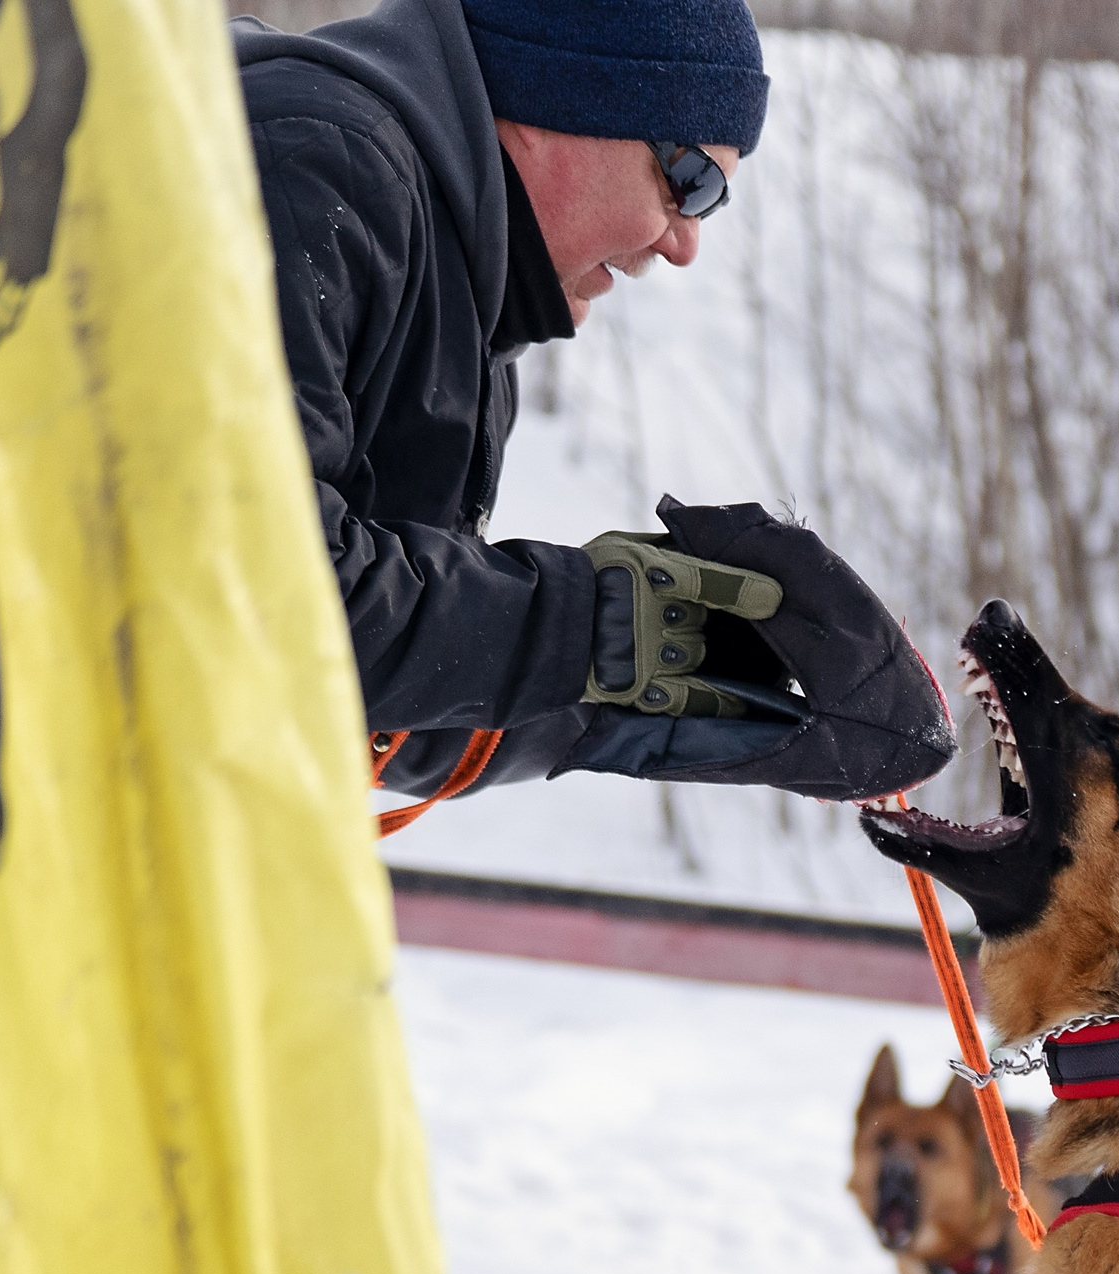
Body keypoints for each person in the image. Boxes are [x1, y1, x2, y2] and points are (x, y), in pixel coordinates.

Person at [232, 0, 953, 810]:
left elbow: (388, 697)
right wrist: (608, 627)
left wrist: (683, 682)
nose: (685, 243)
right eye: (691, 180)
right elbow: (251, 596)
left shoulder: (462, 306)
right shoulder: (311, 166)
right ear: (560, 96)